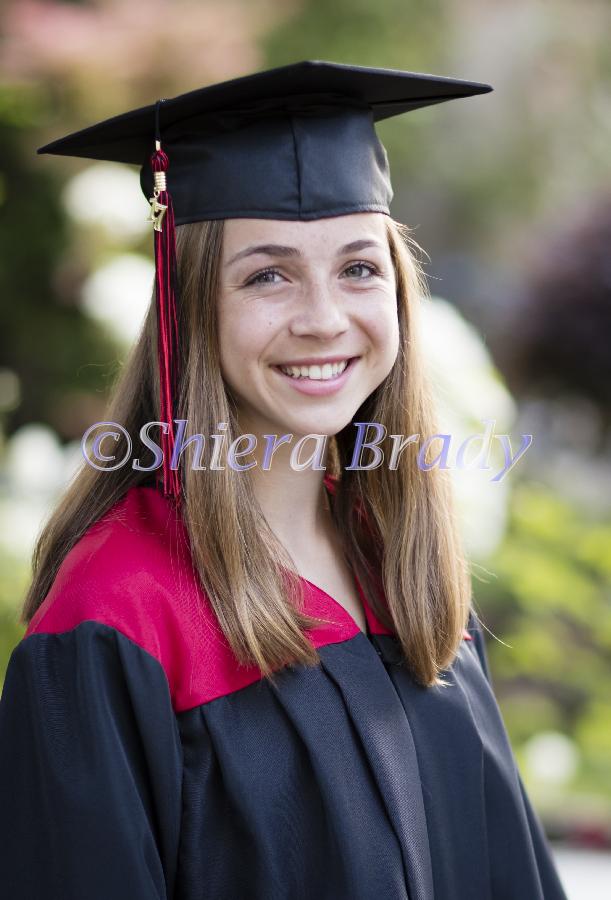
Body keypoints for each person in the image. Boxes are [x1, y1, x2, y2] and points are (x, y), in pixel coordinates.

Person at [0, 60, 568, 899]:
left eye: (358, 268)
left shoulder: (398, 563)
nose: (324, 320)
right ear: (188, 304)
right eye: (267, 275)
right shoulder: (118, 616)